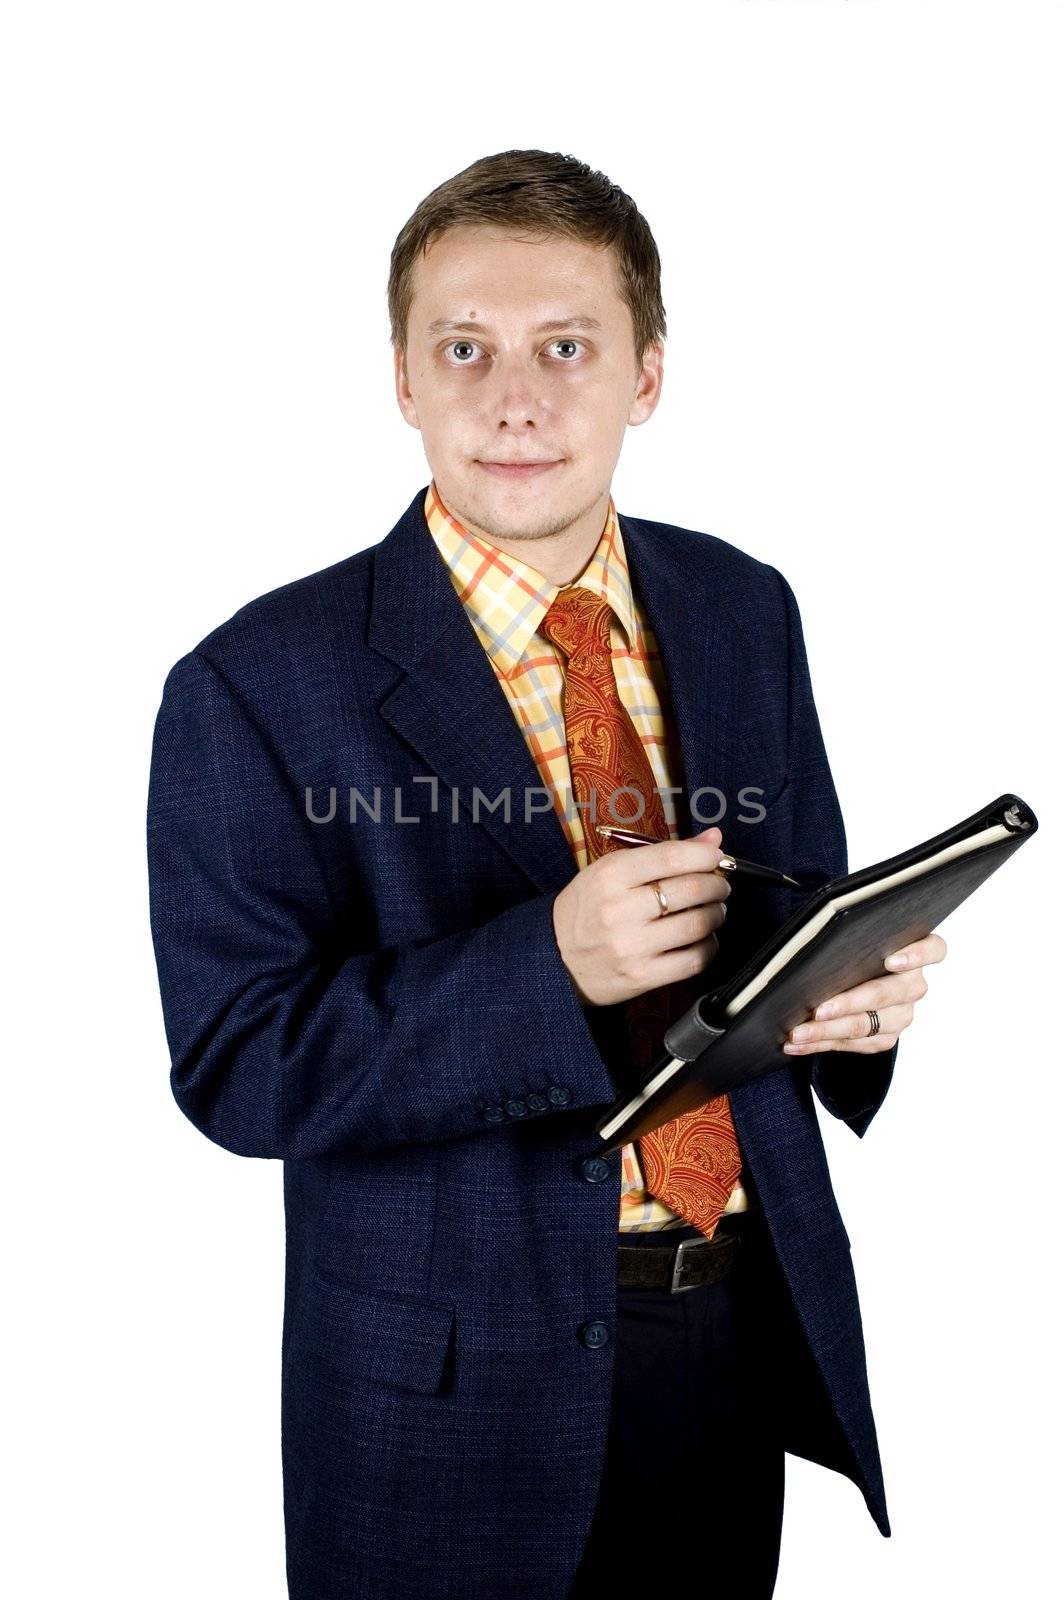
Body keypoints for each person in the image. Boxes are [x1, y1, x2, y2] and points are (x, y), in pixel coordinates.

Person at [146, 148, 945, 1599]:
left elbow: (792, 912)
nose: (516, 397)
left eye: (566, 348)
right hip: (440, 1402)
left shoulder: (741, 606)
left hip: (727, 1347)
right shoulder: (255, 683)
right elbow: (239, 1064)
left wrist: (851, 1009)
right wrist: (548, 971)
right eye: (467, 349)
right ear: (402, 375)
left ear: (647, 374)